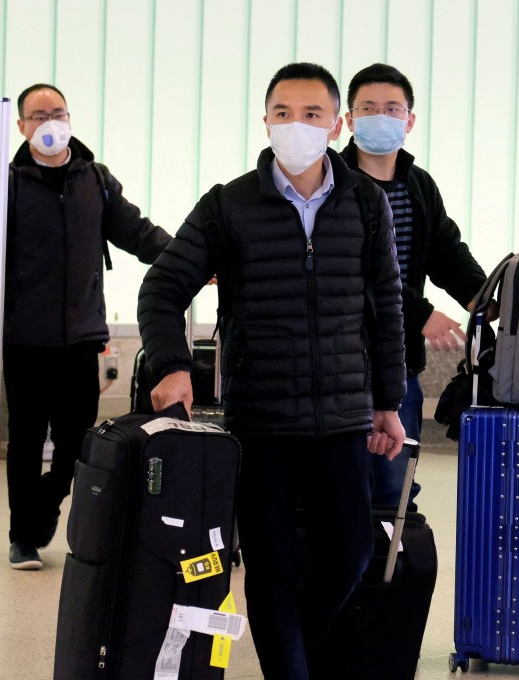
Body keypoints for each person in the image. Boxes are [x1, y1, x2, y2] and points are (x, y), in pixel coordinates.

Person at [138, 63, 407, 680]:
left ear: (336, 125)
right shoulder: (229, 205)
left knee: (351, 554)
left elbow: (386, 307)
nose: (296, 126)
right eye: (282, 113)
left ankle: (293, 659)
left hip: (341, 416)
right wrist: (173, 366)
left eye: (312, 114)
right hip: (261, 421)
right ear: (265, 122)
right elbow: (161, 287)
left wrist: (387, 401)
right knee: (272, 566)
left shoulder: (366, 204)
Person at [3, 83, 171, 570]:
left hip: (81, 336)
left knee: (78, 441)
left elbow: (136, 232)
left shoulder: (94, 179)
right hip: (23, 338)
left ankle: (45, 507)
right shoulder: (7, 184)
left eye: (56, 112)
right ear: (22, 127)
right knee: (28, 440)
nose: (48, 122)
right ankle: (22, 537)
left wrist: (187, 259)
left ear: (70, 119)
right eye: (37, 116)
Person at [341, 63, 488, 510]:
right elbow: (356, 268)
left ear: (409, 120)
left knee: (393, 483)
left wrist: (483, 296)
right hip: (340, 359)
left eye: (391, 108)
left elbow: (445, 249)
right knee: (342, 484)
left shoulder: (419, 185)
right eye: (368, 108)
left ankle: (387, 573)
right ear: (348, 119)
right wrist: (422, 315)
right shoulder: (334, 185)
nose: (379, 116)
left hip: (397, 362)